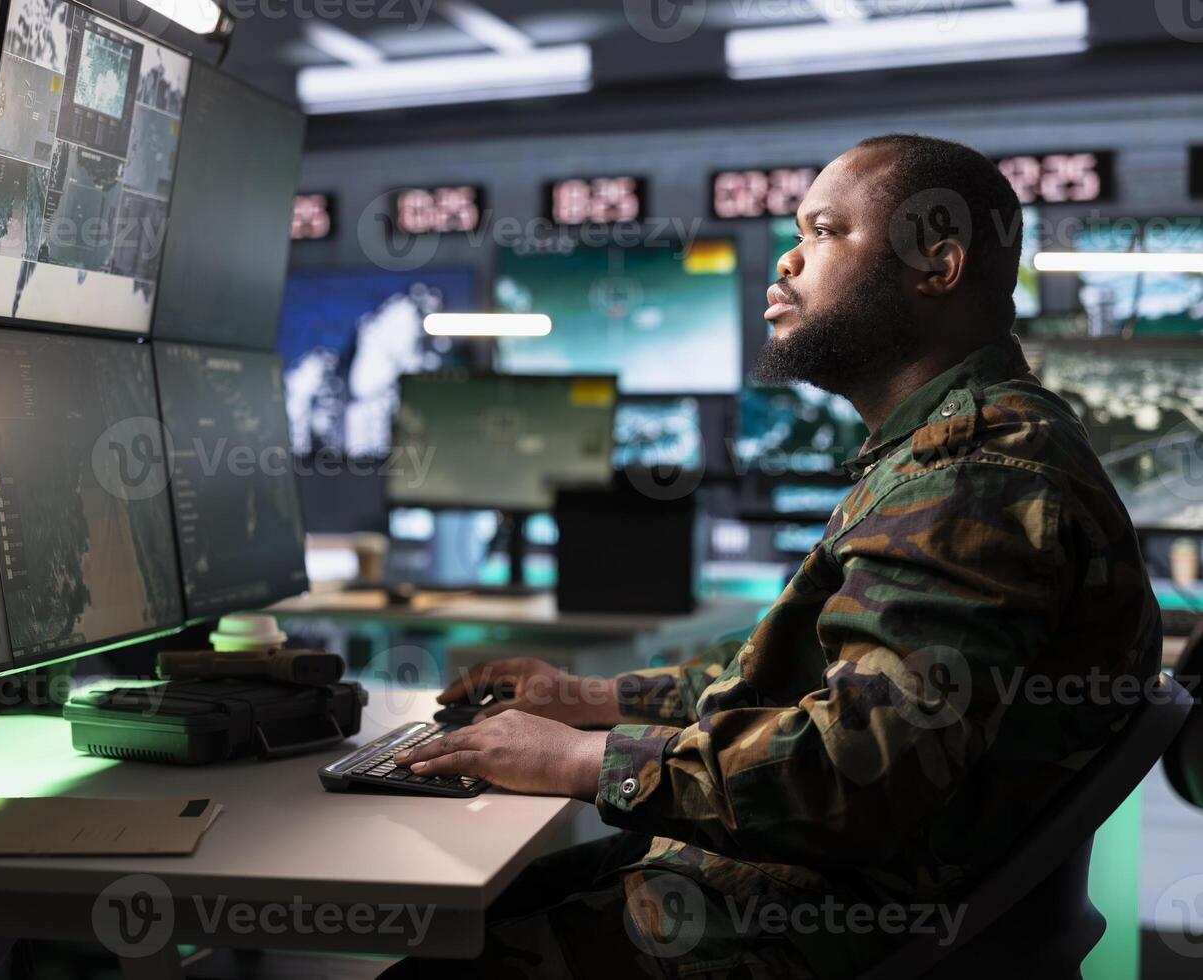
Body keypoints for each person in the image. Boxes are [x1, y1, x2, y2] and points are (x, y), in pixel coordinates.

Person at [386, 135, 1162, 979]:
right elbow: (802, 673)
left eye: (825, 230)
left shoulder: (978, 474)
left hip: (828, 919)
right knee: (480, 907)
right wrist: (587, 696)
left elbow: (850, 772)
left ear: (937, 264)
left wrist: (578, 759)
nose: (787, 259)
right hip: (818, 891)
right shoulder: (950, 448)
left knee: (443, 951)